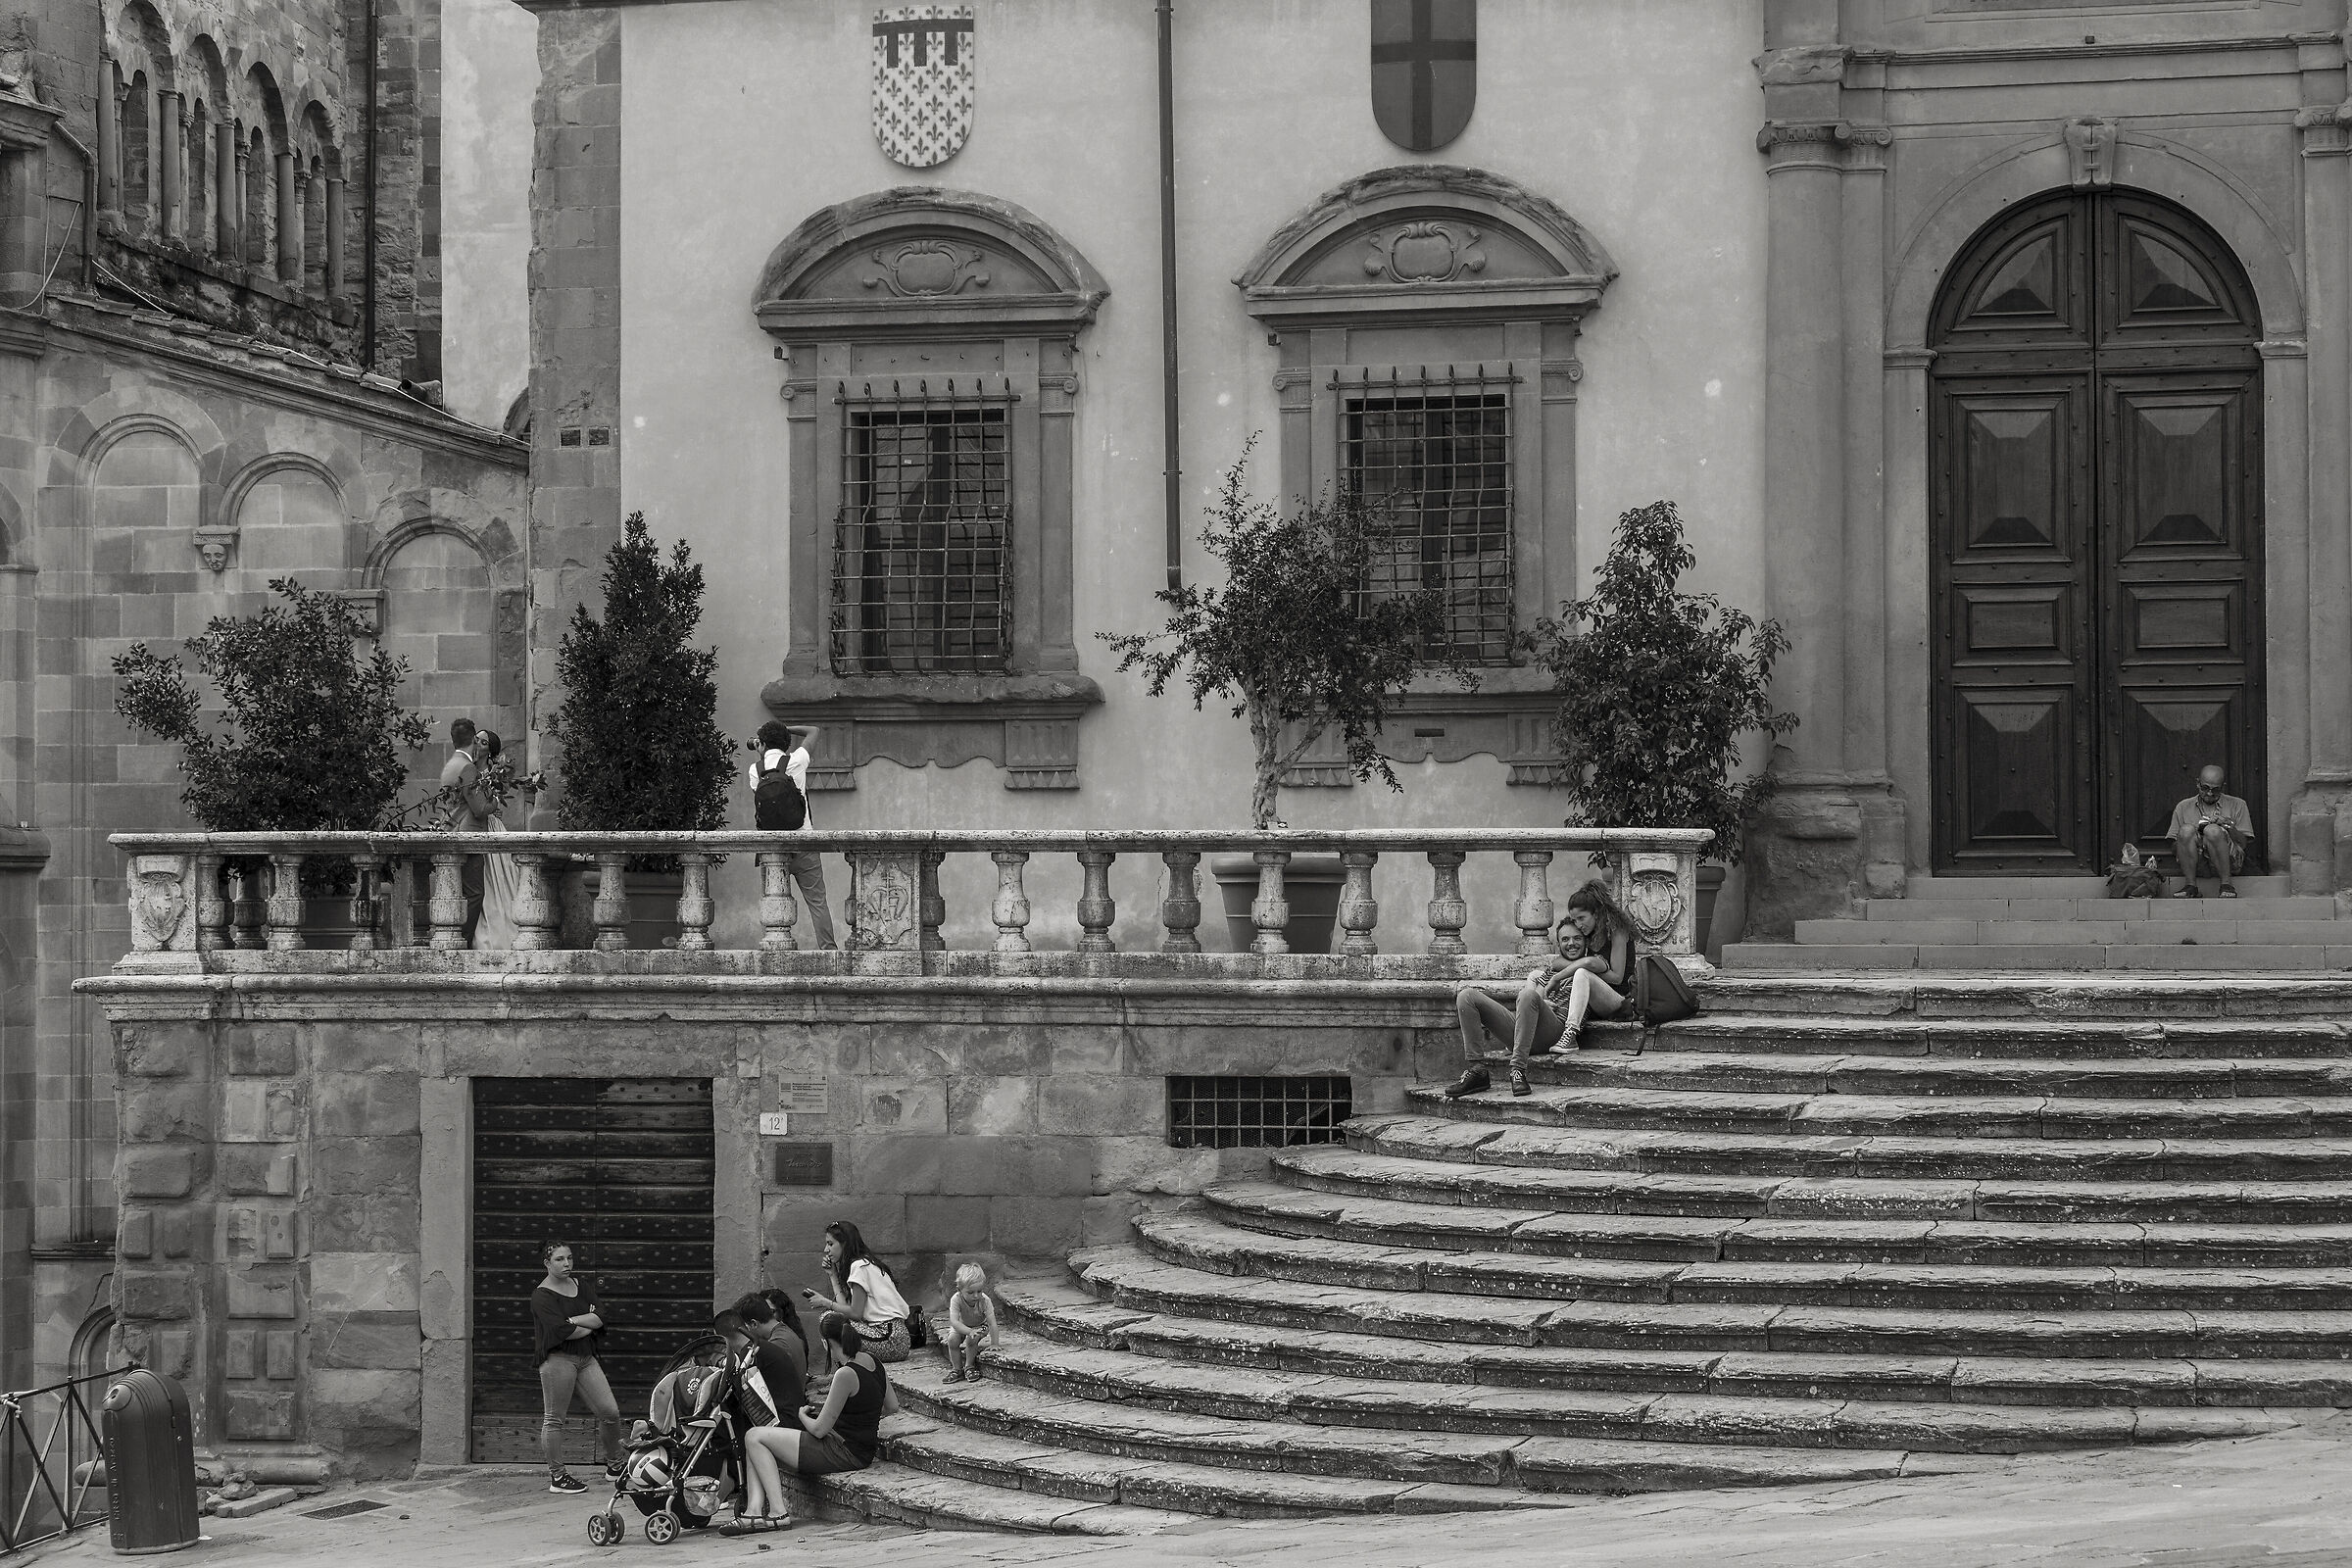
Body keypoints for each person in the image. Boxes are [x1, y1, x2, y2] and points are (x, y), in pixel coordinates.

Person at [1443, 880, 1636, 1100]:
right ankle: (1477, 1070)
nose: (1572, 943)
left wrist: (1547, 991)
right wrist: (1543, 992)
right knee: (1467, 995)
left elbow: (1598, 968)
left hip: (1554, 1029)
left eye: (1578, 938)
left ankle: (1517, 1069)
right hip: (1527, 1029)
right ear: (1558, 943)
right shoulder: (1550, 968)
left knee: (1528, 994)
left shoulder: (1592, 963)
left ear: (1588, 941)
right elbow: (1539, 981)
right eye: (1565, 939)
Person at [725, 1312, 897, 1534]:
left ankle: (778, 1512)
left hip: (842, 1450)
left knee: (754, 1436)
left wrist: (802, 1415)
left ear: (826, 1343)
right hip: (856, 1447)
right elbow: (892, 1406)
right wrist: (862, 1415)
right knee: (755, 1440)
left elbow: (818, 1429)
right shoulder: (874, 1360)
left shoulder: (845, 1373)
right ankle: (754, 1511)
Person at [531, 1241, 621, 1494]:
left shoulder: (580, 1285)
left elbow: (602, 1315)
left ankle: (615, 1466)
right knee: (554, 1419)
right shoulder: (541, 1295)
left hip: (586, 1358)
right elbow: (560, 1331)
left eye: (569, 1258)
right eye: (560, 1259)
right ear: (547, 1263)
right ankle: (558, 1477)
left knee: (610, 1412)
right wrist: (587, 1324)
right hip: (557, 1360)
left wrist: (573, 1321)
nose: (567, 1264)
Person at [746, 718, 837, 950]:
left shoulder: (755, 770)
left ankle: (775, 948)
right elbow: (814, 730)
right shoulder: (797, 760)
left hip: (773, 848)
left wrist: (763, 746)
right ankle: (828, 950)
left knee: (774, 902)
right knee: (817, 902)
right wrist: (784, 729)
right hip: (803, 842)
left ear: (762, 744)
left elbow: (768, 789)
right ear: (786, 744)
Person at [800, 1220, 909, 1367]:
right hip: (891, 1337)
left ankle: (847, 1371)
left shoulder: (860, 1266)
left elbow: (855, 1313)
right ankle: (847, 1369)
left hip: (891, 1339)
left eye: (831, 1244)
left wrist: (826, 1303)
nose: (826, 1249)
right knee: (832, 1318)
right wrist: (833, 1275)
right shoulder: (861, 1263)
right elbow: (845, 1309)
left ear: (844, 1243)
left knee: (828, 1319)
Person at [471, 729, 529, 951]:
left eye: (483, 741)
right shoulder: (466, 768)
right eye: (476, 738)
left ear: (490, 750)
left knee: (494, 882)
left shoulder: (494, 773)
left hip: (490, 827)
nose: (477, 743)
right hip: (470, 827)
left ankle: (496, 935)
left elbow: (494, 803)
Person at [438, 718, 492, 943]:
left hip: (452, 829)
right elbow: (480, 808)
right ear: (473, 740)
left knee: (459, 893)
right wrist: (495, 800)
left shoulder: (451, 763)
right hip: (468, 834)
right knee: (475, 893)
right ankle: (465, 940)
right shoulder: (468, 767)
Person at [2170, 764, 2254, 899]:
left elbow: (2243, 844)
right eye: (2205, 788)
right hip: (2196, 864)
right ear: (2198, 783)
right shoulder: (2183, 807)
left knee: (2213, 830)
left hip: (2230, 862)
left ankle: (2226, 884)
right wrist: (2193, 834)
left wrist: (2228, 826)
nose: (2209, 793)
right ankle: (2190, 886)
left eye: (2215, 790)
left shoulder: (2238, 804)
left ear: (2223, 787)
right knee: (2186, 830)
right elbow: (2174, 848)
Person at [941, 1263, 998, 1384]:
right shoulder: (956, 1299)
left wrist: (994, 1344)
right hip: (962, 1325)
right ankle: (957, 1369)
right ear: (959, 1290)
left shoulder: (985, 1301)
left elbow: (992, 1323)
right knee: (952, 1339)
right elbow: (954, 1322)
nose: (976, 1296)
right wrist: (968, 1331)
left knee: (972, 1339)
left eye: (979, 1291)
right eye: (970, 1292)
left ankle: (969, 1366)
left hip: (980, 1325)